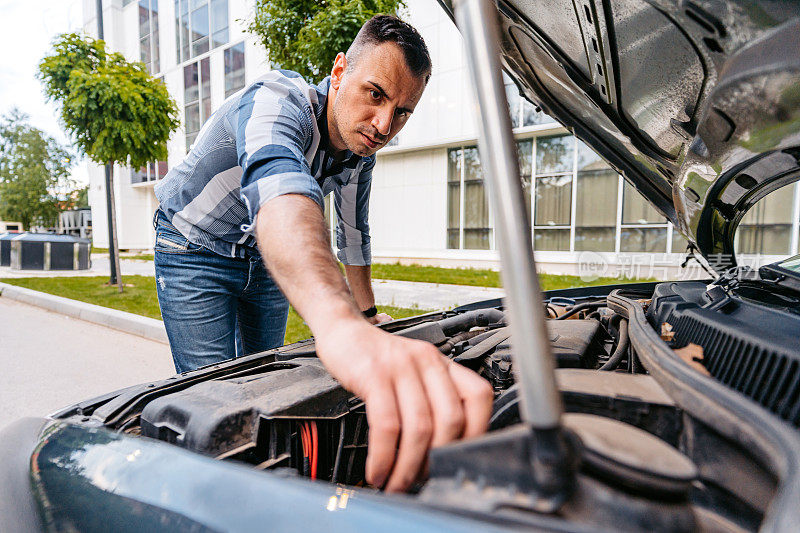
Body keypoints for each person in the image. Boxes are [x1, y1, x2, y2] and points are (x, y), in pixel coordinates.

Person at [153, 15, 493, 493]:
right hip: (193, 247)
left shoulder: (360, 153)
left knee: (267, 387)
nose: (383, 124)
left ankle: (263, 494)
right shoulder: (275, 100)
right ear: (339, 72)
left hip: (263, 256)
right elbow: (279, 190)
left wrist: (368, 315)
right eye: (375, 94)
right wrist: (338, 326)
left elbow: (353, 233)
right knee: (214, 399)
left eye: (401, 112)